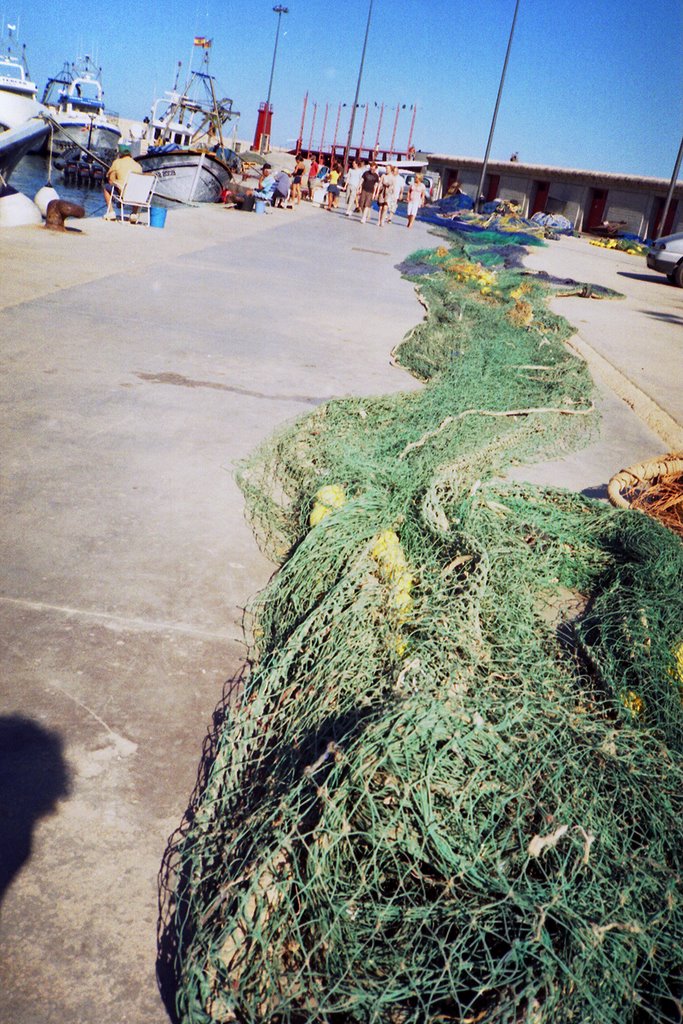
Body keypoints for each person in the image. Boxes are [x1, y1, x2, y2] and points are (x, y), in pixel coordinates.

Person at [102, 144, 142, 220]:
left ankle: (111, 212)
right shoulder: (138, 165)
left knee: (106, 187)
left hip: (124, 193)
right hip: (137, 195)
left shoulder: (117, 162)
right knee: (136, 188)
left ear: (120, 153)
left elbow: (111, 180)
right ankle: (134, 213)